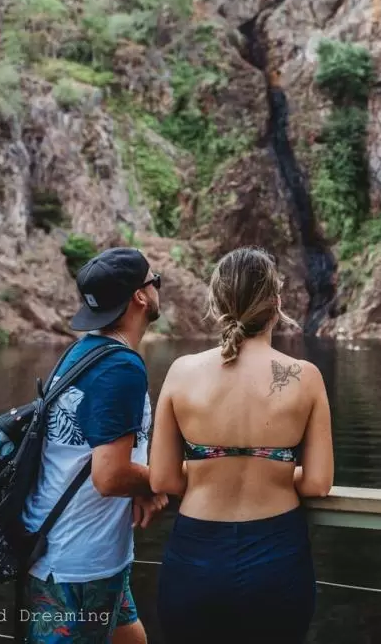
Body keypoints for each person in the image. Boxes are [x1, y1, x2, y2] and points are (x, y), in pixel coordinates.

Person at [150, 246, 334, 643]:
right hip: (277, 555)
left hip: (195, 556)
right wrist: (274, 471)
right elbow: (318, 484)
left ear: (216, 304)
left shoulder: (182, 373)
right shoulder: (306, 376)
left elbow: (163, 477)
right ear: (277, 303)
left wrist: (208, 470)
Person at [21, 247, 169, 644]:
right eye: (155, 280)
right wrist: (160, 480)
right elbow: (109, 475)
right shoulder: (121, 367)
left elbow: (99, 458)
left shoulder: (81, 352)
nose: (158, 288)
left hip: (71, 551)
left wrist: (137, 484)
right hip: (79, 565)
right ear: (140, 296)